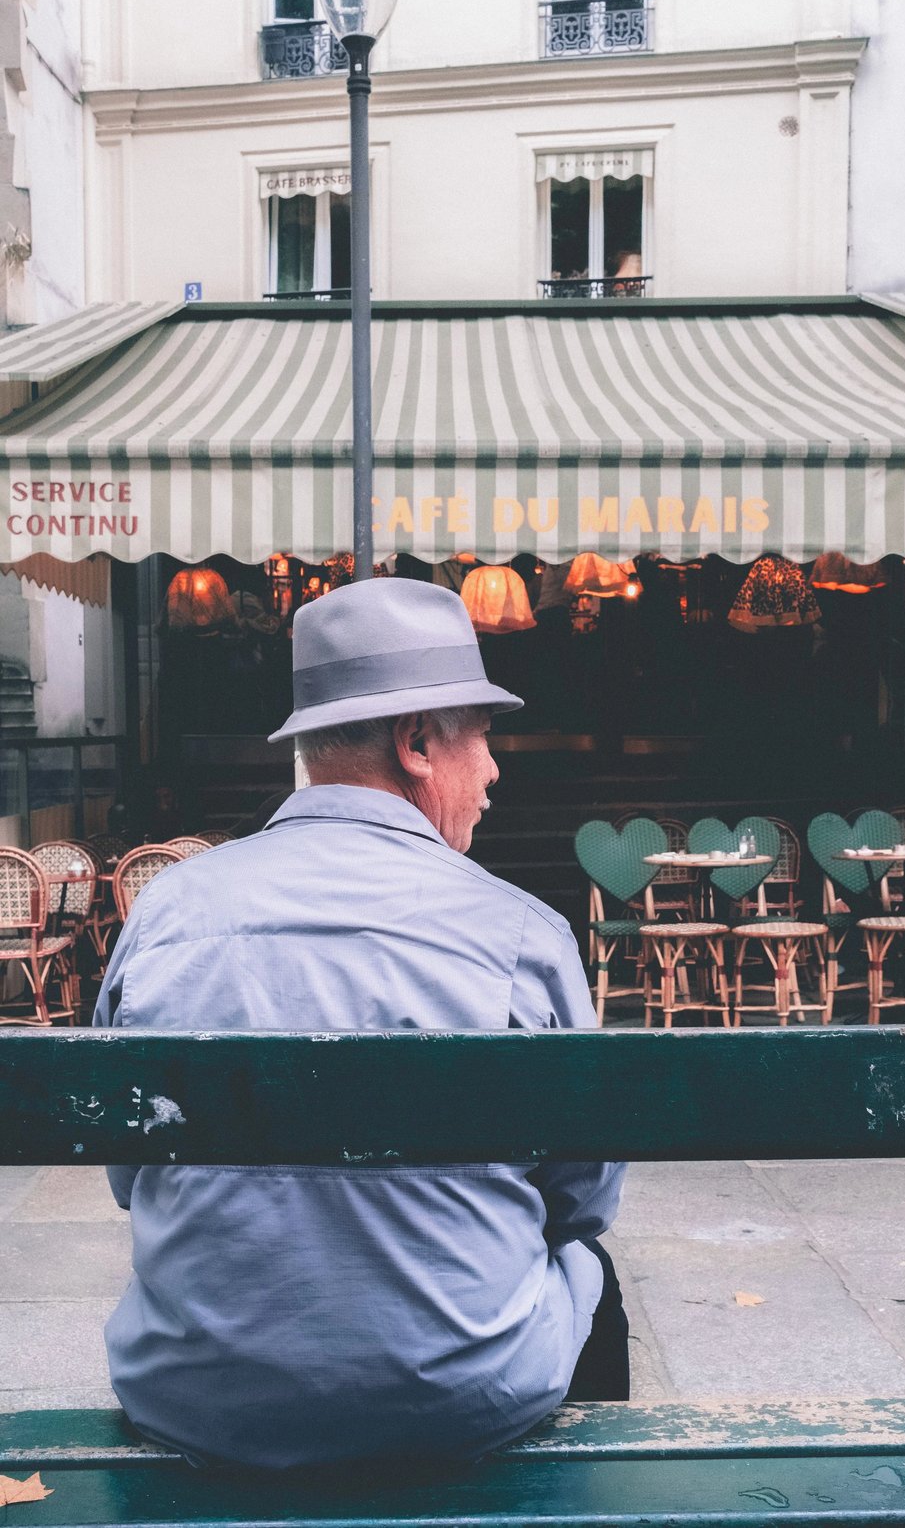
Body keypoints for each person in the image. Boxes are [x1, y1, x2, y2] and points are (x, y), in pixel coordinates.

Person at [94, 577, 627, 1470]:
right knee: (588, 1275)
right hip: (464, 1400)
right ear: (418, 743)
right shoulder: (523, 934)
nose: (494, 770)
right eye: (483, 735)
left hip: (197, 1398)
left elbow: (126, 1168)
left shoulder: (167, 912)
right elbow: (582, 1201)